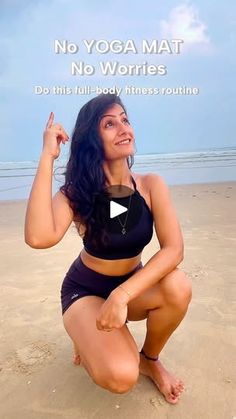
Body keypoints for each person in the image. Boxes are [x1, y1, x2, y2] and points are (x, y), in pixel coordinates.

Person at [24, 93, 192, 405]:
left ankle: (150, 360)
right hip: (85, 290)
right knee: (120, 377)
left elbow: (174, 250)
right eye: (110, 124)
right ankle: (86, 335)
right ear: (92, 138)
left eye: (125, 120)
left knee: (178, 286)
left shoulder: (151, 185)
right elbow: (38, 237)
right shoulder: (77, 193)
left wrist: (122, 295)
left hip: (130, 286)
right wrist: (47, 157)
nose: (124, 128)